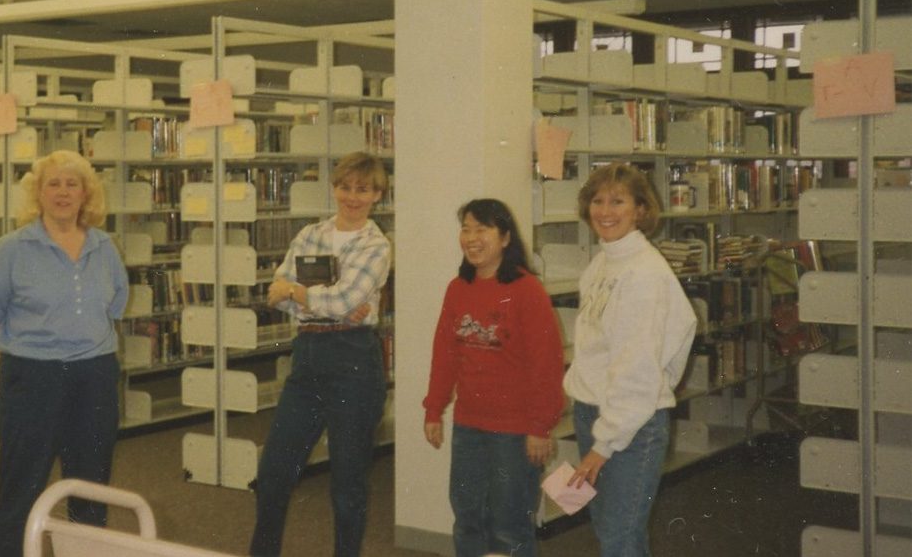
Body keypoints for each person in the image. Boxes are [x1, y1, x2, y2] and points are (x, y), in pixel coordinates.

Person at [0, 149, 129, 557]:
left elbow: (115, 306)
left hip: (95, 375)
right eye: (53, 184)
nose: (63, 192)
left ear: (86, 193)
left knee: (91, 484)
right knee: (22, 484)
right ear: (37, 194)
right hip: (33, 378)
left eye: (72, 184)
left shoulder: (105, 247)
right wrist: (26, 350)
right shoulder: (11, 249)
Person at [249, 151, 392, 557]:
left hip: (354, 363)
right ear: (334, 188)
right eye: (345, 187)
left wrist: (302, 293)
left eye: (362, 189)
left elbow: (340, 299)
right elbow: (277, 294)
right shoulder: (310, 234)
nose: (352, 196)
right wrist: (319, 300)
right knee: (274, 472)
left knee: (347, 484)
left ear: (377, 195)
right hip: (308, 355)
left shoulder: (377, 245)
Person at [565, 163, 697, 557]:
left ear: (640, 209)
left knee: (619, 540)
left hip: (629, 428)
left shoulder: (644, 272)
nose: (605, 211)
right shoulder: (603, 263)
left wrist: (605, 442)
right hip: (596, 413)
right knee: (611, 532)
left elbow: (640, 367)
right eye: (598, 200)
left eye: (618, 201)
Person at [423, 199, 564, 557]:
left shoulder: (526, 289)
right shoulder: (458, 288)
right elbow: (445, 355)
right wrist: (433, 408)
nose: (471, 237)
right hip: (469, 424)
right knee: (467, 517)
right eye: (466, 228)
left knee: (509, 525)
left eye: (481, 229)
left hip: (515, 430)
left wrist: (540, 426)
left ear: (504, 238)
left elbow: (546, 363)